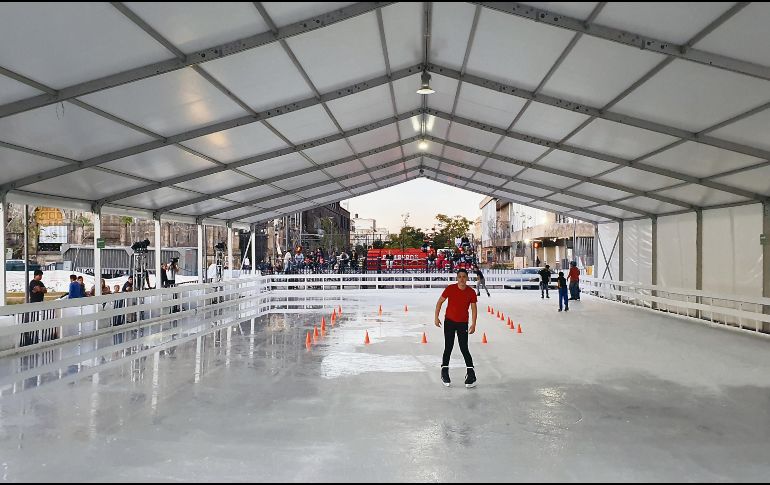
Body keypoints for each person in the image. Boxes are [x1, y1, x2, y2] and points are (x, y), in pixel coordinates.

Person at [434, 269, 478, 388]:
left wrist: (473, 324)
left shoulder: (471, 292)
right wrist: (436, 317)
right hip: (449, 322)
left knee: (464, 348)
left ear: (467, 278)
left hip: (463, 323)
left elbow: (474, 309)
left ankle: (471, 374)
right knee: (448, 347)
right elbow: (439, 302)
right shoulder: (450, 289)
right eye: (460, 277)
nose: (462, 279)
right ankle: (444, 371)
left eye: (464, 276)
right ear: (457, 278)